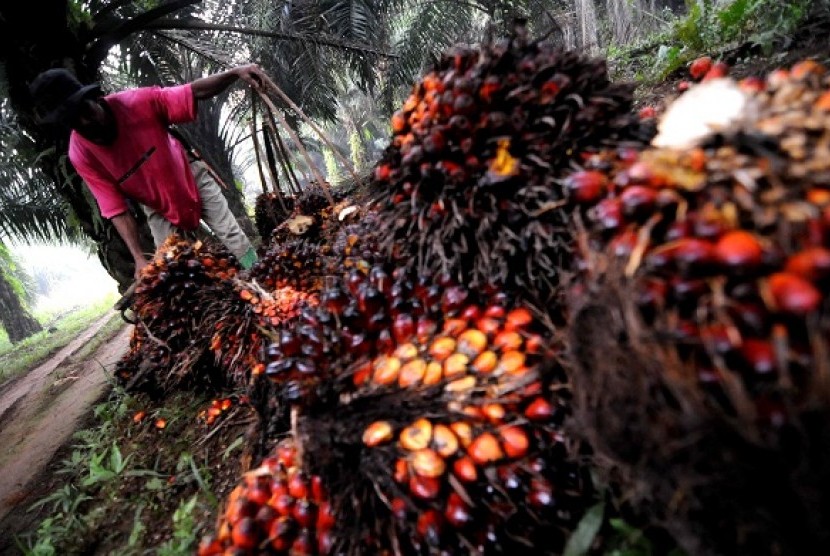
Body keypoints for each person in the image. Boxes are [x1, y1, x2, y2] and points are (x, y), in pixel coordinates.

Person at [29, 64, 266, 279]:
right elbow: (116, 210)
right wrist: (138, 257)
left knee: (233, 236)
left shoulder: (137, 102)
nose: (86, 124)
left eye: (87, 112)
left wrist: (235, 73)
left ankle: (260, 276)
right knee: (172, 267)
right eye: (75, 123)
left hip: (190, 176)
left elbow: (192, 91)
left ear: (97, 99)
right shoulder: (81, 154)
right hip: (157, 205)